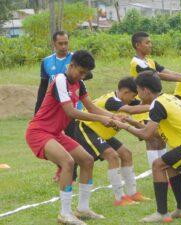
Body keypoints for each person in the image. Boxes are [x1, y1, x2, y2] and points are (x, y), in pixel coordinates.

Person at [26, 50, 124, 225]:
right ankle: (64, 214)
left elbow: (92, 107)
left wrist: (113, 116)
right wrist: (103, 119)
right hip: (38, 132)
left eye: (85, 73)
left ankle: (83, 209)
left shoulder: (80, 83)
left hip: (55, 134)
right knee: (68, 162)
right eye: (81, 72)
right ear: (71, 65)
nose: (82, 76)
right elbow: (71, 111)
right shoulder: (60, 80)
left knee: (87, 160)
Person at [113, 71, 181, 223]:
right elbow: (156, 133)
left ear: (146, 90)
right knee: (171, 167)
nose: (137, 95)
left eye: (138, 91)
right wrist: (131, 122)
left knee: (158, 165)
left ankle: (162, 213)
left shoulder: (157, 105)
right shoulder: (168, 99)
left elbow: (147, 135)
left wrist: (123, 126)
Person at [74, 77, 150, 206]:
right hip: (87, 128)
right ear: (125, 92)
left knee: (126, 154)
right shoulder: (112, 101)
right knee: (112, 156)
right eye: (132, 96)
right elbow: (132, 110)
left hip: (102, 132)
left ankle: (132, 194)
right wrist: (155, 106)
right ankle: (119, 198)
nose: (133, 100)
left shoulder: (124, 99)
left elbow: (139, 105)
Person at [130, 31, 181, 169]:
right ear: (137, 45)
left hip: (153, 103)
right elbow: (159, 75)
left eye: (150, 42)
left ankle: (163, 169)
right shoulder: (137, 63)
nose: (150, 45)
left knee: (160, 139)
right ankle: (157, 171)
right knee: (151, 139)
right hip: (142, 104)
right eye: (147, 42)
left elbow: (167, 71)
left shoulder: (150, 61)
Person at [34, 31, 92, 182]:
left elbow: (86, 76)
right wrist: (37, 110)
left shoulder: (75, 59)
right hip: (54, 110)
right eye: (61, 43)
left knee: (73, 140)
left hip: (72, 109)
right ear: (54, 44)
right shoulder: (46, 62)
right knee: (55, 142)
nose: (64, 46)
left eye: (66, 42)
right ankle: (63, 169)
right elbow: (43, 86)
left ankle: (71, 175)